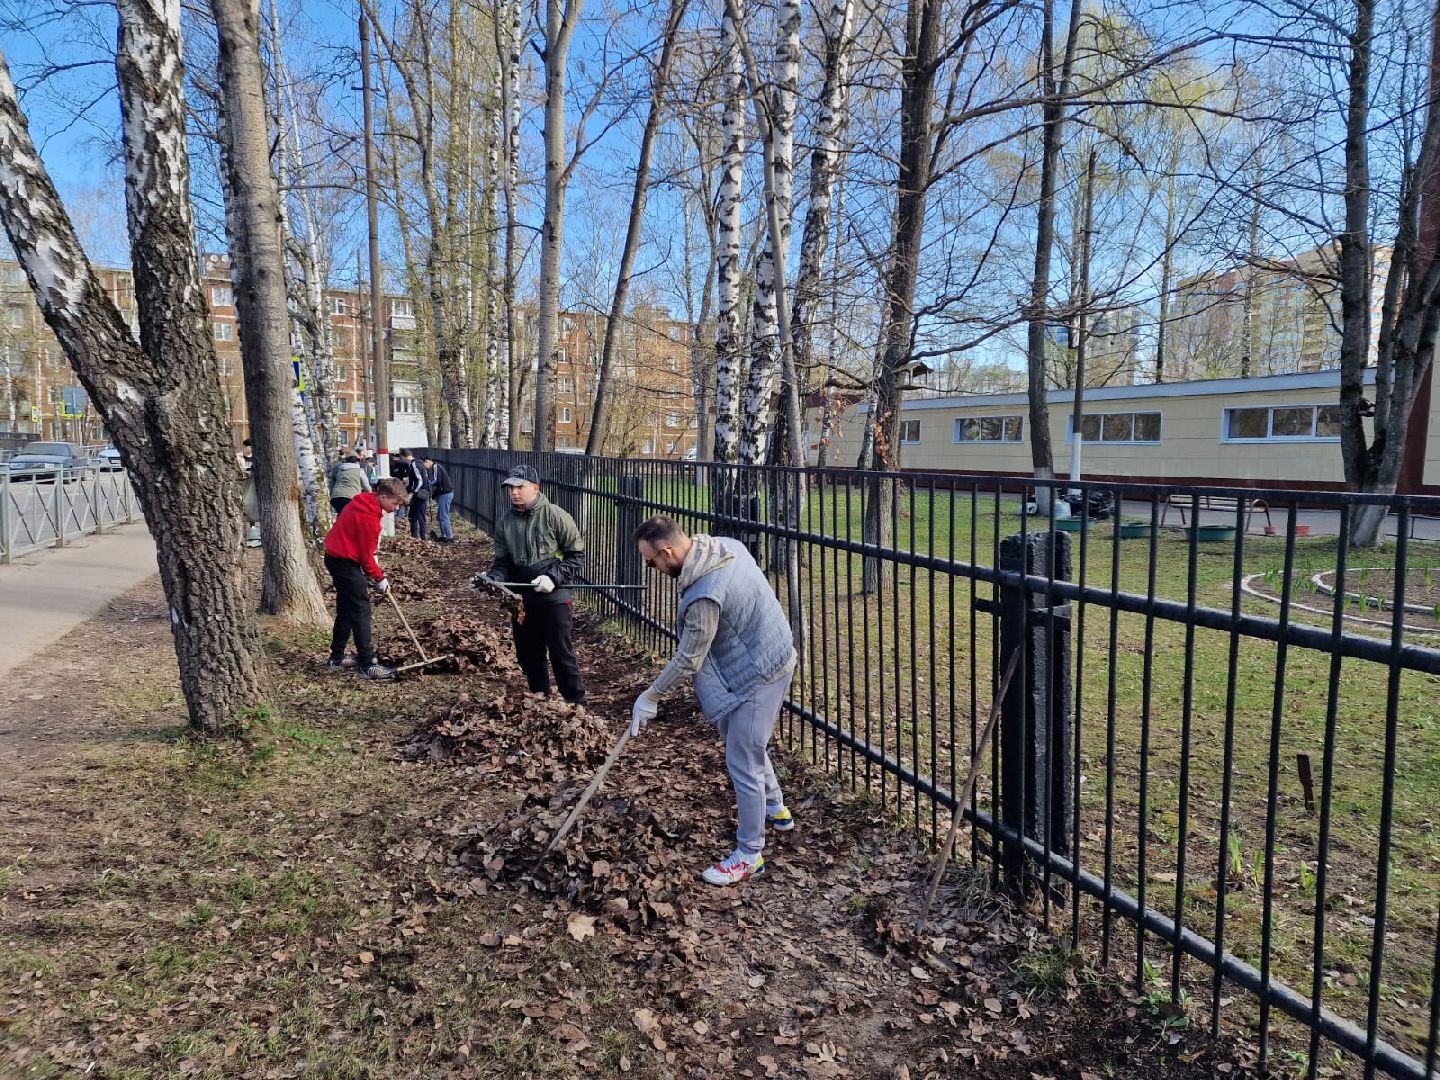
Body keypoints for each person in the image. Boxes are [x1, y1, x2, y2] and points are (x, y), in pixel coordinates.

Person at [628, 515, 796, 886]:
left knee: (743, 759)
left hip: (760, 674)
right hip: (766, 652)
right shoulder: (721, 546)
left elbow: (689, 659)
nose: (652, 569)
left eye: (651, 561)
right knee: (745, 742)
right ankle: (774, 805)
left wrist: (651, 695)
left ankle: (750, 855)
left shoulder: (705, 594)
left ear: (667, 551)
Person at [480, 464, 587, 704]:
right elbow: (502, 562)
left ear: (535, 488)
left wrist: (553, 578)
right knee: (528, 654)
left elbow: (576, 557)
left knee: (561, 654)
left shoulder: (556, 516)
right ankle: (540, 700)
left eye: (520, 487)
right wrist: (493, 579)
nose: (514, 492)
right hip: (523, 600)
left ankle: (576, 705)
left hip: (554, 597)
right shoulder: (505, 522)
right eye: (511, 488)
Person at [322, 476, 411, 681]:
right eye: (395, 503)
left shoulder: (363, 501)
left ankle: (336, 658)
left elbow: (365, 550)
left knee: (346, 607)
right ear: (382, 496)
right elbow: (365, 558)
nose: (396, 508)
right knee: (361, 609)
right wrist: (380, 578)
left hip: (336, 557)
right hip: (344, 561)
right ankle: (367, 664)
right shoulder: (368, 519)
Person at [398, 449, 430, 539]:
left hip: (419, 494)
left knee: (419, 516)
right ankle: (415, 536)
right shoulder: (418, 463)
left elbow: (419, 480)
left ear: (404, 457)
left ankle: (422, 537)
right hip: (420, 493)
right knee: (413, 516)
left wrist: (412, 492)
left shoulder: (414, 464)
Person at [421, 455, 455, 542]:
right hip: (444, 493)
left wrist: (427, 483)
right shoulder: (435, 467)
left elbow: (436, 480)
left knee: (443, 516)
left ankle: (450, 537)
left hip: (446, 493)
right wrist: (434, 495)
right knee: (440, 516)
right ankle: (443, 535)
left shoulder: (435, 466)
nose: (425, 467)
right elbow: (438, 483)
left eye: (424, 464)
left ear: (427, 461)